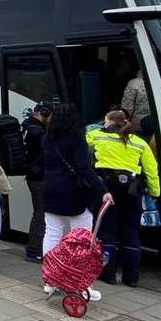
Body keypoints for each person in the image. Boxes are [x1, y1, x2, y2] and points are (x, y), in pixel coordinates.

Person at [41, 103, 114, 299]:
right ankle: (80, 283)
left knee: (52, 234)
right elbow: (85, 170)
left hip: (51, 189)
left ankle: (50, 280)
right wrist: (103, 191)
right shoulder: (77, 140)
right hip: (74, 192)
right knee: (82, 239)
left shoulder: (47, 138)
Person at [89, 108, 160, 288]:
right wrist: (155, 192)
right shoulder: (139, 142)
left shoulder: (97, 136)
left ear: (109, 122)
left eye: (105, 120)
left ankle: (108, 274)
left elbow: (81, 146)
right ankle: (132, 278)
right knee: (131, 234)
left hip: (108, 190)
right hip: (132, 192)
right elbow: (152, 171)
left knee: (107, 233)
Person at [21, 102, 52, 263]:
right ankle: (34, 251)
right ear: (44, 113)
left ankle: (34, 248)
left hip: (34, 174)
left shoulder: (28, 126)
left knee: (40, 213)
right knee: (41, 214)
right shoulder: (37, 131)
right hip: (38, 176)